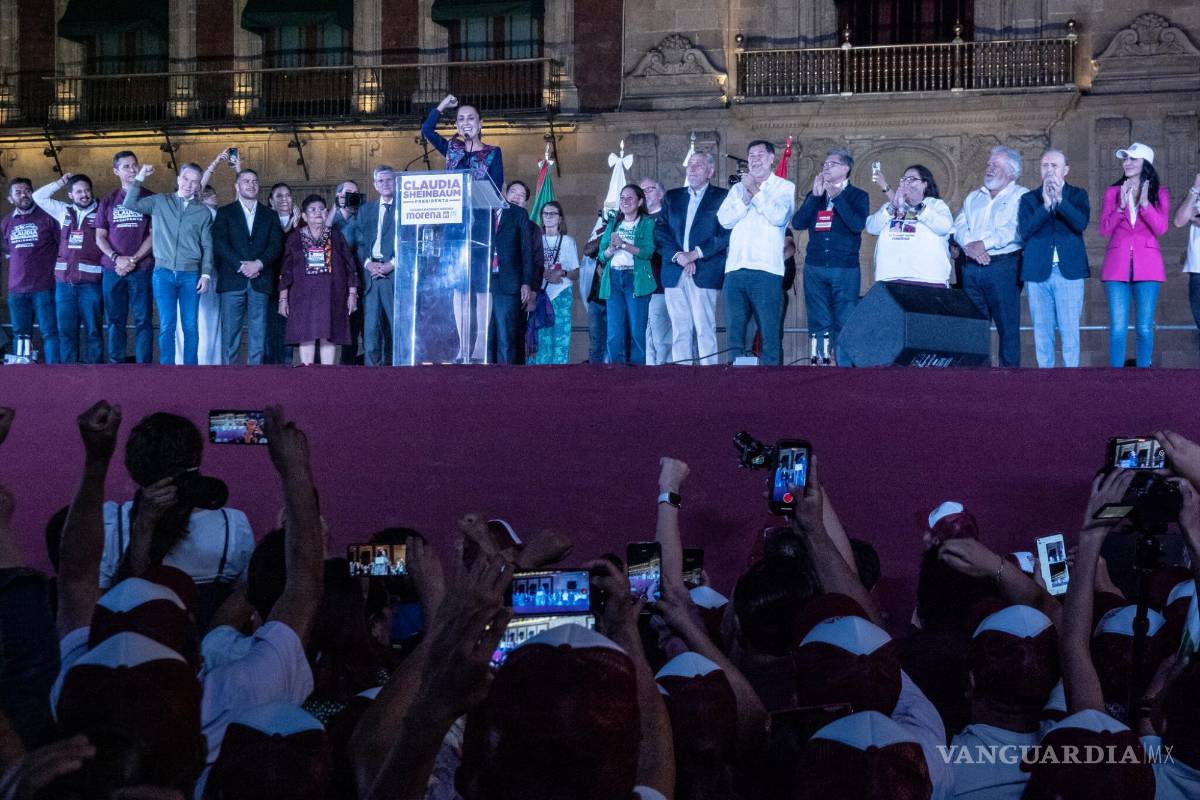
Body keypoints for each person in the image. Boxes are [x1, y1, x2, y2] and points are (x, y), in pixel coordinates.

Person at [122, 162, 215, 365]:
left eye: (195, 182)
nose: (190, 185)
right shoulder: (159, 201)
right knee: (167, 325)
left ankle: (190, 369)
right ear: (178, 180)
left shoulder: (203, 213)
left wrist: (206, 274)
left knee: (190, 326)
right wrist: (139, 178)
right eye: (186, 179)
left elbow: (208, 246)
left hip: (190, 274)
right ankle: (167, 370)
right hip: (162, 273)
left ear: (199, 186)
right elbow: (129, 204)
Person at [717, 140, 795, 366]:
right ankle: (737, 381)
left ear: (772, 159)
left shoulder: (784, 187)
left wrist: (754, 191)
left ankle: (771, 382)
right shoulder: (736, 189)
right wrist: (744, 197)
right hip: (735, 269)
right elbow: (724, 220)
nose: (754, 159)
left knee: (769, 332)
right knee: (735, 331)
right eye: (751, 155)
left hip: (767, 270)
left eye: (760, 154)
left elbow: (779, 216)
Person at [792, 147, 869, 365]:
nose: (825, 167)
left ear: (845, 168)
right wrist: (814, 198)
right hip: (815, 267)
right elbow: (798, 223)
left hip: (844, 268)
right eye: (824, 165)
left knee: (844, 321)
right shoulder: (816, 194)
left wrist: (838, 196)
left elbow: (856, 225)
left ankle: (843, 368)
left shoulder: (858, 195)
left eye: (831, 164)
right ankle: (821, 365)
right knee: (818, 320)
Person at [954, 146, 1029, 367]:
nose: (989, 168)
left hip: (1003, 267)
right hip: (970, 268)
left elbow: (1016, 229)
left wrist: (983, 244)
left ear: (1012, 172)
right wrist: (969, 244)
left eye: (995, 165)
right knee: (973, 328)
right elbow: (959, 224)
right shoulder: (973, 197)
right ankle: (977, 381)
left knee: (1007, 329)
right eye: (989, 164)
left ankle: (1009, 383)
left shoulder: (1022, 196)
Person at [1017, 149, 1091, 368]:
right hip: (1037, 272)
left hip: (1068, 271)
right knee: (1042, 332)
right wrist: (1046, 206)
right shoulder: (1029, 199)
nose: (1049, 170)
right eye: (1045, 166)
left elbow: (1080, 224)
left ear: (1065, 170)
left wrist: (1059, 200)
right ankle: (1045, 382)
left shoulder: (1078, 195)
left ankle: (1071, 382)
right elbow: (1025, 230)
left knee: (1070, 332)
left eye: (1054, 166)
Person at [1099, 143, 1170, 368]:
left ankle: (1143, 374)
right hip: (1116, 265)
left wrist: (1146, 204)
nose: (1126, 163)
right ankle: (1116, 376)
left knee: (1144, 327)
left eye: (1133, 159)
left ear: (1145, 164)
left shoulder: (1160, 193)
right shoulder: (1113, 191)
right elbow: (1104, 229)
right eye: (1125, 159)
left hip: (1148, 265)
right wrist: (1120, 208)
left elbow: (1161, 228)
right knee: (1118, 327)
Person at [656, 152, 729, 366]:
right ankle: (682, 378)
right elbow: (660, 230)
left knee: (705, 328)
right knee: (680, 329)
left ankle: (709, 379)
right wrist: (679, 256)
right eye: (690, 164)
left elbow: (725, 234)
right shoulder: (672, 196)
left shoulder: (722, 196)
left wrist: (695, 254)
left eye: (699, 165)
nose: (692, 168)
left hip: (704, 270)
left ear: (711, 171)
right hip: (675, 270)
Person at [213, 168, 285, 364]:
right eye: (246, 181)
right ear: (237, 186)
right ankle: (228, 378)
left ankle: (255, 378)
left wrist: (259, 264)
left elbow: (276, 244)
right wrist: (241, 266)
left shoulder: (270, 214)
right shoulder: (225, 212)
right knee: (230, 333)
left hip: (260, 280)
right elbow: (219, 243)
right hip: (232, 280)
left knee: (258, 334)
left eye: (254, 181)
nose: (251, 184)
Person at [278, 194, 360, 366]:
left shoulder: (336, 237)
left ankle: (327, 378)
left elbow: (350, 266)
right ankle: (307, 378)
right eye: (312, 210)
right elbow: (286, 270)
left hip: (332, 295)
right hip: (302, 297)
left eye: (322, 209)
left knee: (328, 335)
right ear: (304, 216)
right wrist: (283, 299)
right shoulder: (294, 238)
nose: (318, 213)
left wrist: (352, 294)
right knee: (305, 336)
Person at [32, 173, 104, 364]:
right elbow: (38, 197)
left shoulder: (102, 211)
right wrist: (61, 182)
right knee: (66, 333)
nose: (84, 195)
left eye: (87, 190)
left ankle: (96, 378)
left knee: (93, 332)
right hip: (64, 285)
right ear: (71, 195)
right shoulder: (63, 210)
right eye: (79, 191)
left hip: (91, 285)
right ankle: (68, 380)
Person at [95, 151, 155, 364]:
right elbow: (100, 236)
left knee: (143, 321)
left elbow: (153, 235)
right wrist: (116, 258)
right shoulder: (108, 200)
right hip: (113, 270)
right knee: (114, 320)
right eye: (127, 167)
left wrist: (133, 260)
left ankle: (143, 367)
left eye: (135, 165)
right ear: (116, 171)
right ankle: (115, 365)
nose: (132, 170)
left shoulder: (149, 197)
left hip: (142, 269)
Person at [342, 166, 397, 367]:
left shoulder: (406, 207)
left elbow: (411, 240)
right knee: (371, 327)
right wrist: (367, 264)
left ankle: (397, 369)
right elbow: (356, 241)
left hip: (394, 274)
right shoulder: (366, 210)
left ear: (396, 182)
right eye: (380, 181)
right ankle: (372, 372)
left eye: (389, 180)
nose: (385, 184)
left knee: (395, 326)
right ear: (374, 185)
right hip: (371, 274)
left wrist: (392, 264)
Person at [866, 164, 955, 286]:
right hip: (890, 278)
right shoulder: (892, 206)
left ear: (925, 184)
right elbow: (871, 228)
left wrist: (918, 204)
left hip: (928, 279)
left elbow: (944, 227)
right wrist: (893, 207)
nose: (907, 183)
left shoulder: (935, 205)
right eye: (904, 179)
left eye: (912, 179)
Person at [2, 178, 60, 363]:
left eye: (27, 190)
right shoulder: (6, 223)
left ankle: (55, 373)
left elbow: (62, 248)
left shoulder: (48, 217)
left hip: (44, 287)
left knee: (49, 332)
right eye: (18, 192)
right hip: (17, 290)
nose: (24, 195)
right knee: (21, 334)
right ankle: (23, 372)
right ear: (10, 198)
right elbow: (7, 252)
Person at [598, 183, 657, 365]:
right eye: (622, 198)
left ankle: (638, 372)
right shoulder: (614, 222)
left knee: (638, 330)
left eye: (630, 198)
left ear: (640, 201)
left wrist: (623, 244)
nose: (625, 201)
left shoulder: (647, 223)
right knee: (614, 331)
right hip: (614, 278)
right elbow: (601, 255)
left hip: (635, 279)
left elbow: (647, 252)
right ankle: (615, 370)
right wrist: (611, 249)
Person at [488, 182, 536, 364]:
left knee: (505, 337)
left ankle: (504, 382)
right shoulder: (484, 212)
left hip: (507, 283)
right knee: (485, 336)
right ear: (504, 191)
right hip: (483, 280)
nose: (516, 196)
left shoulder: (519, 214)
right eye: (513, 191)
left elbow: (526, 251)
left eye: (521, 194)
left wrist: (526, 282)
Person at [527, 201, 578, 364]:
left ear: (560, 218)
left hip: (561, 294)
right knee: (541, 338)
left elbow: (576, 273)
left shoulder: (568, 241)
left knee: (560, 337)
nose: (548, 217)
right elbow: (528, 266)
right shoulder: (535, 240)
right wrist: (542, 273)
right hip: (540, 294)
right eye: (545, 214)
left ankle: (560, 374)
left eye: (553, 214)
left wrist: (561, 273)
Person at [421, 94, 504, 190]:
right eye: (461, 119)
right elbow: (427, 129)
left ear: (480, 123)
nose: (465, 123)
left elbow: (497, 189)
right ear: (457, 125)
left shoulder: (493, 152)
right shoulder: (452, 149)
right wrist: (443, 105)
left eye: (471, 118)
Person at [329, 180, 363, 365]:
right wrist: (336, 207)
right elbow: (321, 237)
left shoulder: (363, 215)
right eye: (348, 192)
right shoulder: (331, 219)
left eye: (355, 192)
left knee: (367, 331)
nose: (352, 195)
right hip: (341, 285)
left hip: (366, 281)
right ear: (339, 195)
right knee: (345, 335)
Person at [266, 182, 300, 365]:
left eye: (287, 195)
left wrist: (296, 227)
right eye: (279, 195)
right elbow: (274, 249)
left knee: (289, 329)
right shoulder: (264, 221)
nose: (285, 198)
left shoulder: (302, 222)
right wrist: (289, 230)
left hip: (294, 286)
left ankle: (286, 366)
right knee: (270, 329)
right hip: (270, 284)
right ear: (271, 201)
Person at [639, 178, 672, 365]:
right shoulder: (637, 220)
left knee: (661, 338)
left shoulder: (667, 219)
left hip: (660, 285)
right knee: (645, 338)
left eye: (649, 189)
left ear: (661, 194)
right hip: (639, 287)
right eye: (640, 190)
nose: (644, 193)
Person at [1175, 172, 1200, 355]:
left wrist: (1194, 218)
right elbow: (1178, 221)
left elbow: (1189, 218)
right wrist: (1194, 190)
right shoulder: (1195, 194)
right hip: (1196, 270)